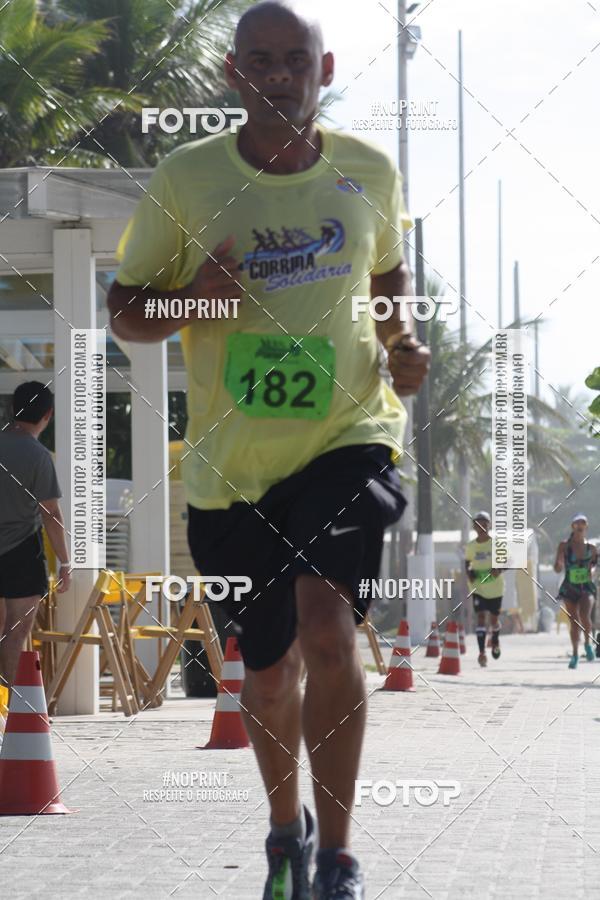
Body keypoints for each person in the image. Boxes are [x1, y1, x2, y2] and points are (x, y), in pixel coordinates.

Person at [107, 3, 430, 896]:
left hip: (348, 435)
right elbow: (126, 311)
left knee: (330, 634)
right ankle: (285, 833)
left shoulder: (368, 172)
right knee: (268, 666)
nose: (280, 74)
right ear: (233, 73)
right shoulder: (187, 178)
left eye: (298, 59)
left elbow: (388, 274)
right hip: (231, 466)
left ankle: (339, 856)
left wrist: (401, 344)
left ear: (325, 72)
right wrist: (197, 301)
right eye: (262, 61)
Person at [0, 382, 71, 733]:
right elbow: (51, 514)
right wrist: (65, 560)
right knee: (16, 632)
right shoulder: (38, 455)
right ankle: (15, 712)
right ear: (47, 415)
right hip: (21, 552)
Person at [554, 513, 597, 669]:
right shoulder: (564, 546)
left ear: (586, 527)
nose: (580, 526)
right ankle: (575, 655)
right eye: (577, 523)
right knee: (574, 621)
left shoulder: (591, 548)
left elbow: (594, 566)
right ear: (573, 526)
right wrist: (558, 564)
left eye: (583, 523)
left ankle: (587, 643)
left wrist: (591, 572)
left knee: (585, 616)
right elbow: (557, 566)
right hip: (570, 587)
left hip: (586, 586)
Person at [465, 511, 504, 667]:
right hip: (478, 587)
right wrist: (469, 573)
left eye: (484, 523)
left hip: (495, 588)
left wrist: (498, 569)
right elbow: (467, 562)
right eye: (478, 523)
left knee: (493, 620)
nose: (481, 526)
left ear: (489, 525)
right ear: (474, 526)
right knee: (480, 618)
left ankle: (495, 641)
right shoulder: (471, 546)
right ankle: (482, 653)